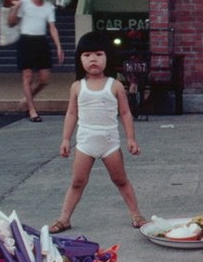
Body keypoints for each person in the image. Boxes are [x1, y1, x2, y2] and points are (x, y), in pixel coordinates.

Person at [49, 32, 147, 233]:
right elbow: (71, 114)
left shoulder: (116, 85)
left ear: (107, 56)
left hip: (110, 143)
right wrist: (65, 139)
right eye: (86, 55)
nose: (93, 59)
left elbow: (126, 113)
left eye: (98, 54)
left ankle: (136, 214)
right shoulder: (77, 87)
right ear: (79, 59)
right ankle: (64, 218)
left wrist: (131, 139)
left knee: (120, 180)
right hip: (85, 143)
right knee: (77, 182)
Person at [8, 0, 63, 122]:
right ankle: (32, 110)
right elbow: (11, 22)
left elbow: (52, 27)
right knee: (27, 77)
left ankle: (27, 99)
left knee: (45, 79)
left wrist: (58, 46)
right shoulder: (24, 3)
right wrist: (16, 6)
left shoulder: (49, 7)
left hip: (41, 41)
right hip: (26, 40)